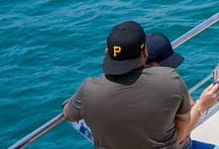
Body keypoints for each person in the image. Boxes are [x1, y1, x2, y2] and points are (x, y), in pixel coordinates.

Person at [62, 20, 193, 149]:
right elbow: (184, 121)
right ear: (145, 52)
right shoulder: (170, 79)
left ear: (107, 52)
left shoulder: (88, 89)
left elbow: (69, 114)